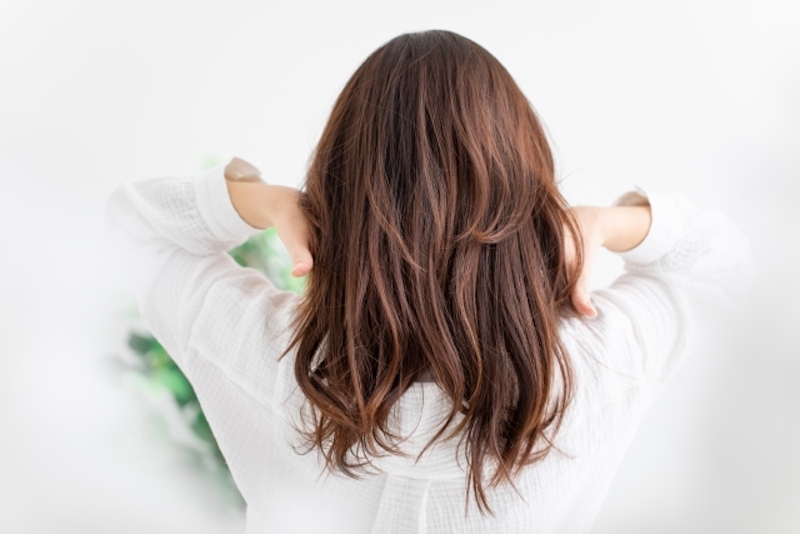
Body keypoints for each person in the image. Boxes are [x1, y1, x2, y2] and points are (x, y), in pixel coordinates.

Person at [105, 30, 752, 534]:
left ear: (339, 193)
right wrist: (606, 225)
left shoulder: (264, 356)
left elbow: (133, 227)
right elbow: (730, 268)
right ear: (524, 199)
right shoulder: (591, 370)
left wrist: (266, 202)